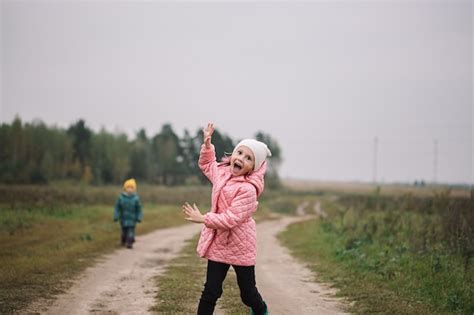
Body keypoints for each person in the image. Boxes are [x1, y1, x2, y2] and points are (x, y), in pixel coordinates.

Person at [182, 123, 271, 315]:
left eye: (248, 158)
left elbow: (231, 219)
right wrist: (207, 145)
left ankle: (261, 309)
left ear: (253, 167)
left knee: (247, 294)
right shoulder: (222, 173)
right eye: (239, 153)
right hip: (219, 244)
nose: (241, 159)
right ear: (233, 155)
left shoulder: (248, 190)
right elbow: (207, 164)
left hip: (241, 246)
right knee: (211, 291)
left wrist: (203, 218)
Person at [113, 178, 143, 249]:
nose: (130, 189)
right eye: (128, 187)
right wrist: (116, 216)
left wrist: (139, 217)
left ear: (134, 189)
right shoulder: (121, 198)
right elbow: (117, 208)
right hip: (123, 218)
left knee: (130, 231)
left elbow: (139, 209)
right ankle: (123, 240)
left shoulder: (136, 199)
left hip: (132, 219)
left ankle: (130, 242)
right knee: (124, 231)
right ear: (125, 188)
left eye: (131, 188)